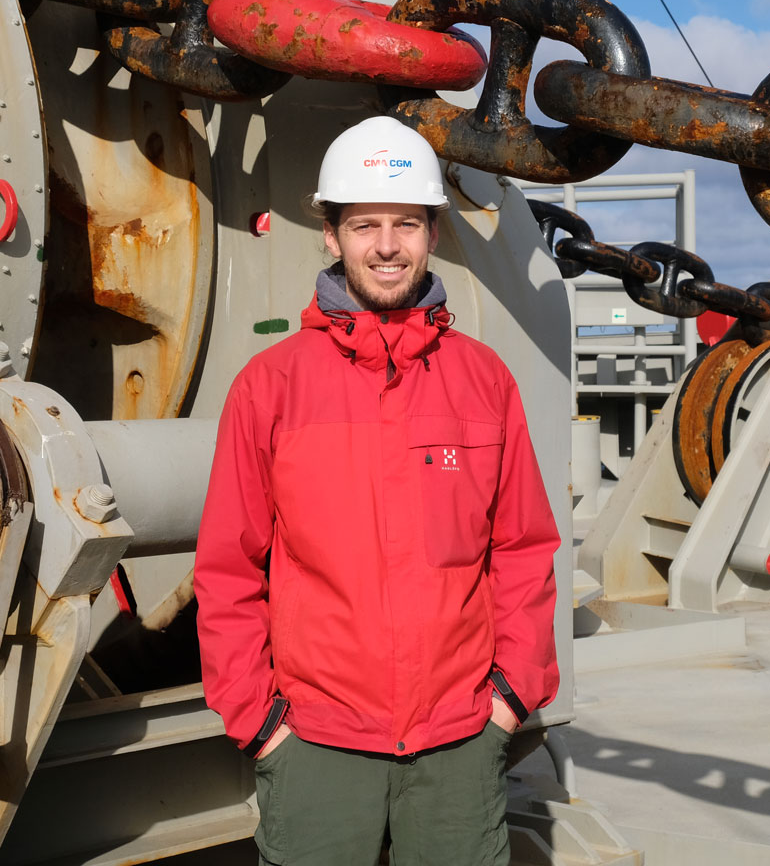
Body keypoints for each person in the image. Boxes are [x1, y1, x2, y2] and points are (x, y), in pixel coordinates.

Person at [195, 115, 561, 866]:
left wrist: (510, 699)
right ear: (330, 234)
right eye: (364, 225)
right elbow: (228, 570)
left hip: (459, 739)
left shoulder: (483, 381)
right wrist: (260, 722)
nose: (386, 246)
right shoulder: (271, 388)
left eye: (405, 224)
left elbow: (522, 549)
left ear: (431, 232)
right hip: (318, 743)